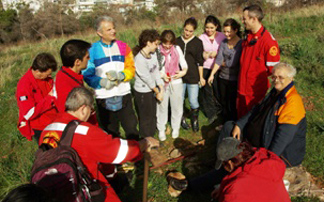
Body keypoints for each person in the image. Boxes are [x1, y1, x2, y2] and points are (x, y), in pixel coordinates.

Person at [39, 87, 159, 202]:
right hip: (86, 186)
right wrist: (145, 142)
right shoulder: (84, 132)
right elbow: (120, 151)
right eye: (91, 109)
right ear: (83, 109)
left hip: (56, 186)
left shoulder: (48, 129)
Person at [226, 62, 306, 167]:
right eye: (274, 77)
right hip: (253, 140)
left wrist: (267, 159)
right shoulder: (275, 92)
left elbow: (283, 136)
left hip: (275, 152)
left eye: (281, 77)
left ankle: (227, 168)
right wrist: (240, 124)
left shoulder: (292, 102)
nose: (276, 80)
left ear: (291, 79)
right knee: (229, 127)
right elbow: (255, 110)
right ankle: (223, 161)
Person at [82, 16, 139, 140]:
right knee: (111, 132)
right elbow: (87, 74)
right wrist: (101, 82)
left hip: (124, 94)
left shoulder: (124, 46)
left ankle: (136, 156)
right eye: (109, 30)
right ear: (99, 33)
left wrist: (122, 76)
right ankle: (116, 157)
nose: (113, 31)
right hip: (103, 97)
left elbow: (131, 68)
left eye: (113, 28)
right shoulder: (92, 51)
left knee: (131, 128)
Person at [211, 137, 290, 202]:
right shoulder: (263, 163)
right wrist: (222, 189)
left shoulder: (235, 190)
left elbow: (238, 192)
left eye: (224, 165)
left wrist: (226, 191)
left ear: (230, 163)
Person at [237, 4, 280, 119]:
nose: (242, 21)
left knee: (252, 120)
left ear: (254, 19)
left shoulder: (268, 42)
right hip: (242, 88)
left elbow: (274, 71)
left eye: (244, 19)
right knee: (241, 118)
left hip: (254, 93)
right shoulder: (248, 37)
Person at [16, 53, 58, 142]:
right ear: (38, 71)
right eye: (48, 74)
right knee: (51, 153)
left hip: (55, 120)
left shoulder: (47, 79)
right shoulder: (24, 85)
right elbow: (28, 113)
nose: (50, 76)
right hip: (40, 126)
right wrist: (50, 98)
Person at [207, 18, 242, 122]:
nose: (227, 34)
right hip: (223, 77)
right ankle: (225, 122)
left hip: (234, 79)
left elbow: (233, 63)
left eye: (229, 31)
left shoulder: (241, 44)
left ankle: (234, 122)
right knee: (224, 101)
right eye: (225, 31)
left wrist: (224, 63)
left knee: (232, 102)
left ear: (235, 30)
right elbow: (218, 60)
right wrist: (212, 74)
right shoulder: (223, 43)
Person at [157, 30, 188, 141]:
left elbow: (184, 64)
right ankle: (161, 128)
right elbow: (155, 67)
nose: (167, 46)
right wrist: (162, 75)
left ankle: (176, 127)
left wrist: (183, 72)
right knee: (162, 106)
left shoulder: (177, 49)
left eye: (170, 43)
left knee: (177, 106)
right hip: (162, 83)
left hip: (176, 82)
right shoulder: (157, 50)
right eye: (165, 43)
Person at [133, 29, 164, 138]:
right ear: (148, 43)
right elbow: (147, 79)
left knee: (152, 114)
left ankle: (152, 136)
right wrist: (157, 92)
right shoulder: (139, 59)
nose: (157, 46)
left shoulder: (153, 54)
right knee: (146, 116)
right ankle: (146, 139)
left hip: (152, 90)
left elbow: (156, 71)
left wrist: (161, 87)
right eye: (156, 44)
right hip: (143, 92)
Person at [176, 17, 204, 132]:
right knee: (180, 99)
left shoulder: (198, 43)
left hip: (193, 76)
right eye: (186, 30)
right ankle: (182, 119)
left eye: (190, 31)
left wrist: (201, 77)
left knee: (193, 100)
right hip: (179, 76)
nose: (187, 33)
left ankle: (195, 119)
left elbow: (200, 61)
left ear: (194, 31)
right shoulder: (177, 41)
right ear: (183, 28)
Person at [199, 15, 226, 124]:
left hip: (218, 67)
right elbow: (199, 52)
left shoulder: (222, 37)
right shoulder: (201, 38)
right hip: (206, 67)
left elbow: (226, 50)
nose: (209, 30)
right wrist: (204, 54)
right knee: (207, 91)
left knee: (218, 90)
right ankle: (211, 113)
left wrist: (217, 54)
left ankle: (220, 110)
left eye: (211, 28)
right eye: (207, 28)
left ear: (216, 27)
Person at [54, 39, 91, 112]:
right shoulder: (64, 84)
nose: (89, 59)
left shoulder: (72, 75)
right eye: (87, 57)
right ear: (77, 62)